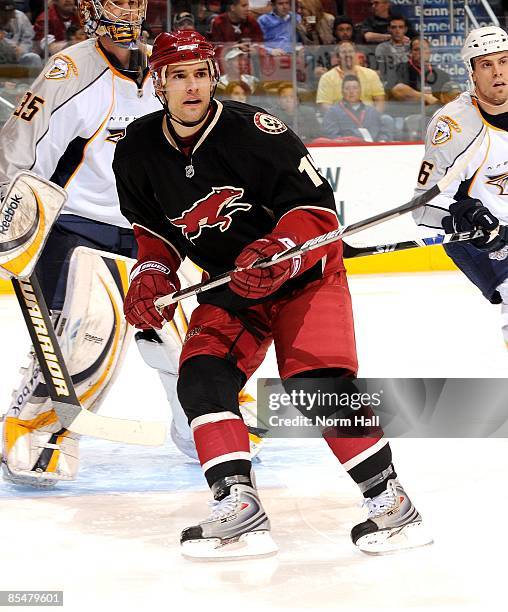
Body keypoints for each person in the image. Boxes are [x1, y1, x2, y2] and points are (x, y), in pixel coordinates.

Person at [113, 29, 432, 559]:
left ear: (213, 76)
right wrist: (152, 272)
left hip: (303, 274)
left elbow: (317, 212)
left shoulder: (257, 132)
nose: (192, 87)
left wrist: (281, 246)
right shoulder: (137, 150)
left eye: (200, 74)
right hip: (231, 284)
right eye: (179, 76)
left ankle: (392, 503)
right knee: (201, 377)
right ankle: (238, 507)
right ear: (158, 82)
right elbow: (157, 232)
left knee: (318, 383)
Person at [0, 0, 203, 488]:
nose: (127, 14)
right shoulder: (70, 70)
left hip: (150, 232)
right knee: (89, 333)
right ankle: (32, 431)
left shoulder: (165, 70)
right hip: (76, 227)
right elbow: (21, 147)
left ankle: (206, 426)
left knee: (191, 336)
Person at [413, 25, 508, 349]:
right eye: (486, 64)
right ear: (472, 72)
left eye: (504, 61)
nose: (498, 72)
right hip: (482, 235)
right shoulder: (454, 126)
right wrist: (461, 220)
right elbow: (421, 207)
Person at [316, 40, 385, 112]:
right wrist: (341, 117)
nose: (347, 55)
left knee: (386, 119)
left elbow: (380, 101)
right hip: (340, 118)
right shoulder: (327, 78)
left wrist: (374, 117)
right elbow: (324, 105)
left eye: (350, 51)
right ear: (338, 57)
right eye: (343, 52)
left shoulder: (371, 74)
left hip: (368, 117)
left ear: (356, 54)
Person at [322, 74, 391, 141]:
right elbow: (331, 136)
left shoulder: (372, 111)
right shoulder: (333, 112)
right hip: (346, 149)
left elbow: (381, 134)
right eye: (347, 88)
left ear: (360, 90)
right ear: (342, 91)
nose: (351, 92)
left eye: (355, 88)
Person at [387, 37, 451, 108]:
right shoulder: (399, 69)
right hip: (407, 112)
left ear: (429, 52)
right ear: (410, 53)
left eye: (424, 49)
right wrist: (428, 98)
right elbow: (398, 90)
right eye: (416, 49)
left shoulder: (442, 75)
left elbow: (448, 99)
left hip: (434, 114)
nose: (421, 52)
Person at [0, 0, 41, 68]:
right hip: (2, 56)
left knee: (34, 58)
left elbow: (29, 38)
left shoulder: (20, 16)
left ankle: (36, 78)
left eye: (11, 12)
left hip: (19, 55)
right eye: (6, 13)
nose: (12, 16)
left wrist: (22, 50)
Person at [375, 14, 409, 87]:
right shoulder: (382, 48)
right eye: (394, 27)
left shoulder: (411, 47)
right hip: (390, 85)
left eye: (401, 27)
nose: (397, 31)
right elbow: (382, 72)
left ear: (405, 29)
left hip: (409, 83)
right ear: (389, 29)